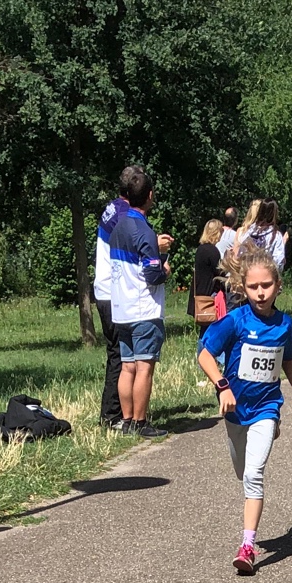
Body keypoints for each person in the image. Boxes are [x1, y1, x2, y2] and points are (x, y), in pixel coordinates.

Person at [196, 244, 292, 576]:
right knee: (242, 472)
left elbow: (288, 360)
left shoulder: (286, 325)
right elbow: (204, 354)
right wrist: (222, 386)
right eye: (253, 287)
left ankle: (247, 546)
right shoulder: (234, 321)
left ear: (278, 285)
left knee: (253, 475)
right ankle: (260, 432)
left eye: (267, 286)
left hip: (266, 407)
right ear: (242, 288)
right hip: (234, 412)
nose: (260, 293)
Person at [106, 165, 174, 438]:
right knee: (145, 366)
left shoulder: (118, 226)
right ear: (149, 195)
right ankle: (141, 422)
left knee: (127, 366)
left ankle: (127, 420)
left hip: (121, 309)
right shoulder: (144, 230)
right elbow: (153, 274)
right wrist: (166, 269)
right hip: (143, 309)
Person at [92, 185, 128, 430]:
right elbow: (129, 248)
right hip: (111, 293)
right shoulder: (123, 214)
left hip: (102, 289)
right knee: (119, 354)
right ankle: (111, 415)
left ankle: (113, 411)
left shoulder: (112, 207)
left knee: (116, 352)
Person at [193, 218, 226, 337]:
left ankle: (202, 353)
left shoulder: (201, 249)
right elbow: (219, 273)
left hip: (200, 292)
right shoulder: (213, 251)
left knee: (205, 329)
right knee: (214, 329)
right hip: (210, 295)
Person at [243, 198, 287, 269]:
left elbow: (241, 253)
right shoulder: (276, 236)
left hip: (248, 273)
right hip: (265, 274)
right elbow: (278, 261)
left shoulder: (249, 231)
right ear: (274, 214)